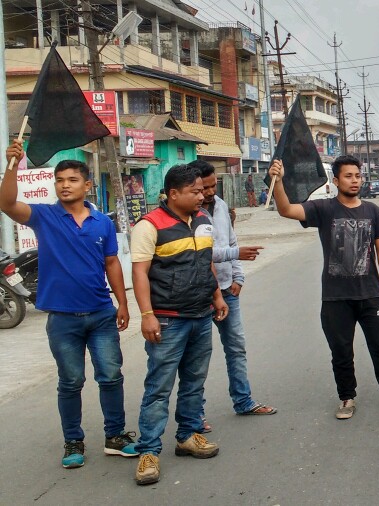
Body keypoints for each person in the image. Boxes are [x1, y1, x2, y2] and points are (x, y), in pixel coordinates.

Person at [1, 142, 137, 469]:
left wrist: (123, 303)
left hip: (102, 314)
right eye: (60, 179)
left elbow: (112, 264)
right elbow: (6, 203)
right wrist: (12, 164)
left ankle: (115, 437)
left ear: (86, 185)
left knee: (110, 376)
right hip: (62, 320)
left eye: (72, 179)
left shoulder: (102, 223)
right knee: (71, 381)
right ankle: (73, 440)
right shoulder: (45, 216)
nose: (64, 184)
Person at [269, 155, 379, 420]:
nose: (354, 180)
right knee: (341, 351)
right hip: (336, 297)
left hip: (372, 294)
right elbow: (286, 210)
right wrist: (279, 182)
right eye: (348, 176)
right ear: (336, 180)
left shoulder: (373, 210)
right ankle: (346, 398)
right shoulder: (323, 209)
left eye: (358, 176)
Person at [130, 164, 230, 485]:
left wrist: (217, 297)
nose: (202, 196)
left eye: (203, 190)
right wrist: (147, 315)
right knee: (159, 387)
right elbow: (139, 273)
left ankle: (188, 435)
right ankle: (148, 451)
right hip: (168, 320)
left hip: (201, 316)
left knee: (193, 382)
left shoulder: (203, 222)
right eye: (195, 191)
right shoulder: (149, 226)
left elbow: (206, 264)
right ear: (174, 194)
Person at [192, 160, 277, 424]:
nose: (208, 192)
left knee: (236, 348)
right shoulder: (188, 212)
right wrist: (235, 254)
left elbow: (231, 241)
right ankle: (195, 416)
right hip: (201, 293)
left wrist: (239, 276)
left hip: (229, 290)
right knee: (198, 357)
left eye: (212, 185)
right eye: (203, 187)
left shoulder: (220, 206)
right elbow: (201, 252)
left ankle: (244, 401)